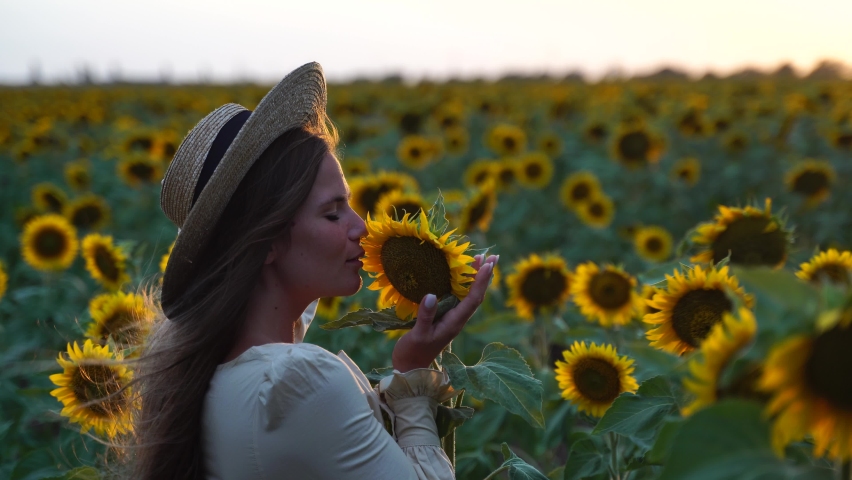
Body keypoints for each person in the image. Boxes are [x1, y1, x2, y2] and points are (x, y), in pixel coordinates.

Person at [133, 62, 497, 480]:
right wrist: (413, 383)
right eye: (332, 213)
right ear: (265, 240)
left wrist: (411, 360)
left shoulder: (218, 376)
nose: (362, 228)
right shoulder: (298, 382)